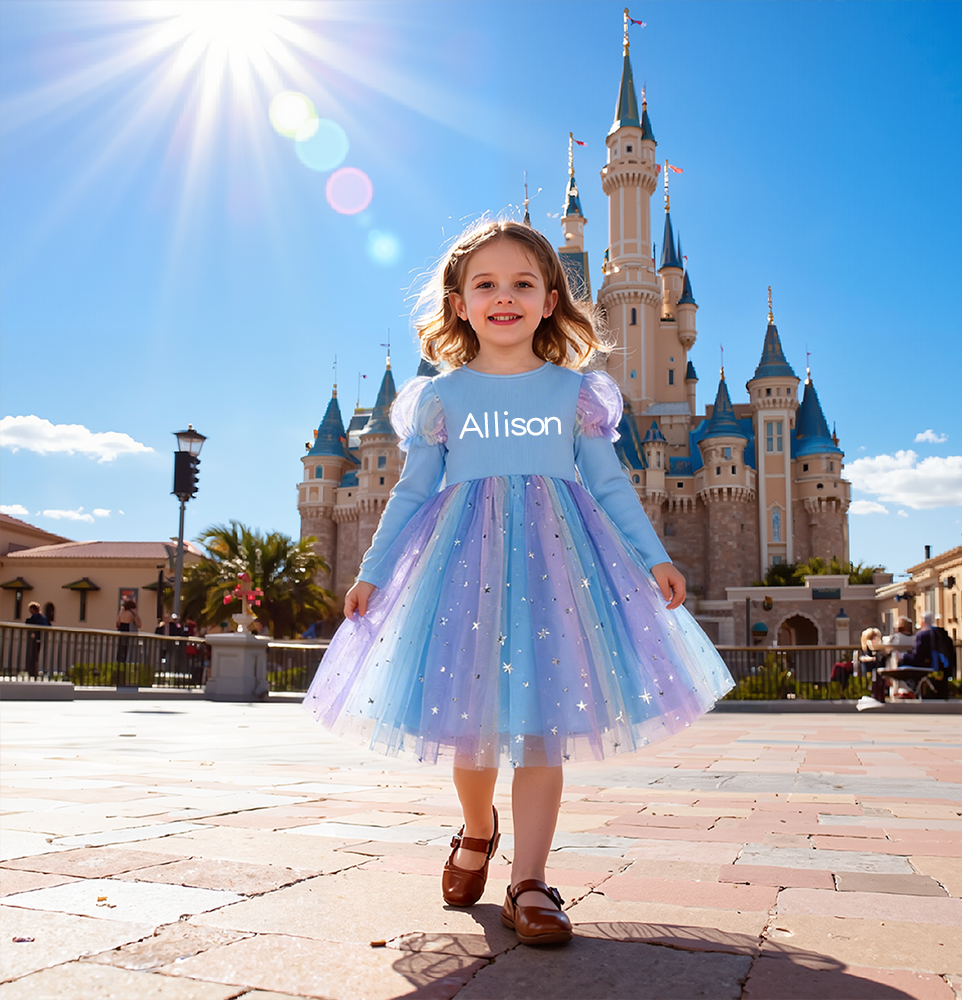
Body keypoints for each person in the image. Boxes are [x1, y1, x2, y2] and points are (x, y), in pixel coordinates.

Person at [304, 220, 734, 946]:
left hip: (558, 570)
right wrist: (372, 571)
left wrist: (654, 554)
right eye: (487, 284)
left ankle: (529, 880)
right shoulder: (443, 398)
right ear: (461, 303)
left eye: (523, 283)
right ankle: (477, 828)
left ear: (550, 298)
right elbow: (409, 493)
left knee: (542, 731)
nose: (505, 296)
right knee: (471, 727)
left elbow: (611, 486)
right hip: (463, 568)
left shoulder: (577, 394)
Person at [900, 612, 956, 699]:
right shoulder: (943, 634)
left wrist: (902, 656)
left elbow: (917, 658)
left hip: (927, 671)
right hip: (943, 671)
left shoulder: (922, 635)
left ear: (922, 621)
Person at [115, 599, 142, 677]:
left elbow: (117, 624)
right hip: (128, 632)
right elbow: (139, 624)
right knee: (126, 650)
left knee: (120, 650)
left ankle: (119, 665)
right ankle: (125, 666)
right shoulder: (131, 614)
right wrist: (136, 614)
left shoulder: (121, 612)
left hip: (121, 632)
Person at [24, 601, 49, 678]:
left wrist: (34, 632)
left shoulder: (38, 617)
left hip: (36, 639)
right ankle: (33, 672)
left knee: (33, 656)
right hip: (37, 639)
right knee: (34, 656)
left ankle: (33, 672)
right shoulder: (41, 618)